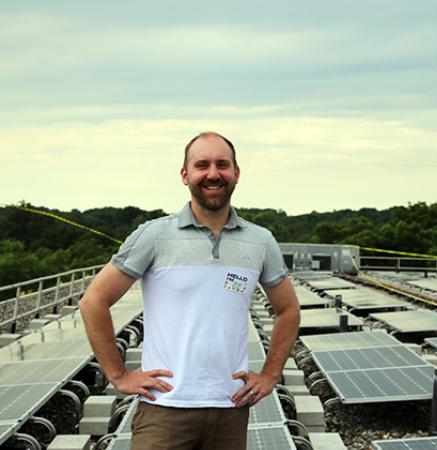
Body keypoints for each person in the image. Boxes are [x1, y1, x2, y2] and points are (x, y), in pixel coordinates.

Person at [79, 131, 300, 450]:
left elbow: (288, 310)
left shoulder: (261, 241)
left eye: (223, 165)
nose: (213, 174)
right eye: (202, 165)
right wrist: (119, 375)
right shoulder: (153, 235)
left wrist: (269, 375)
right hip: (164, 410)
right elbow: (93, 301)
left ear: (237, 173)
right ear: (185, 175)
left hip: (230, 410)